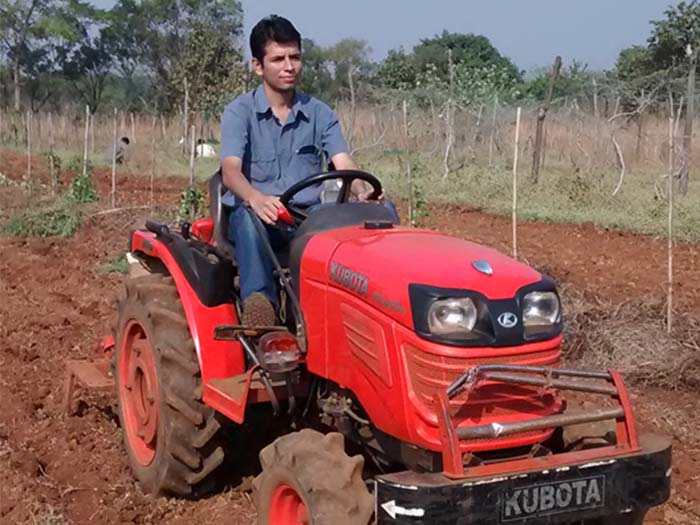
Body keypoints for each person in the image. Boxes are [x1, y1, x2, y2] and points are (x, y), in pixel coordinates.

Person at [220, 15, 397, 326]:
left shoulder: (320, 113)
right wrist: (257, 198)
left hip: (308, 218)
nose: (289, 66)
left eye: (295, 57)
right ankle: (261, 307)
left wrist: (362, 191)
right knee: (249, 218)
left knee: (382, 212)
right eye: (278, 59)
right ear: (258, 66)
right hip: (261, 217)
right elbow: (231, 171)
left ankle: (379, 301)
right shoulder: (240, 112)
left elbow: (343, 163)